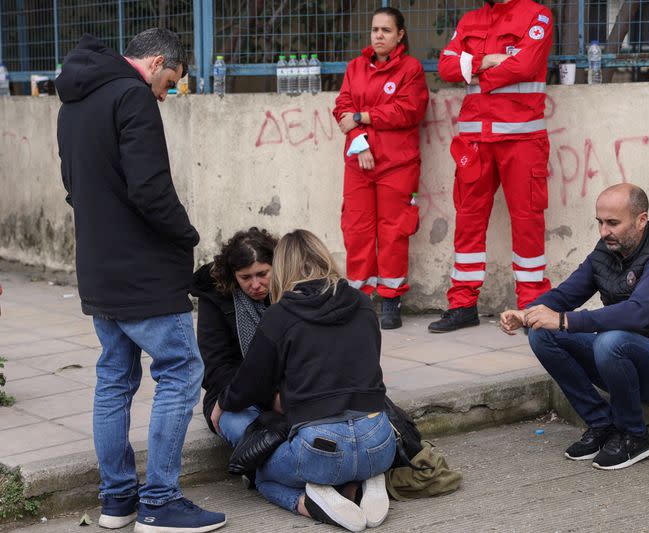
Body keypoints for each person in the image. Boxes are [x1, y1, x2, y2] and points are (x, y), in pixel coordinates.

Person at [56, 30, 225, 532]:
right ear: (155, 63)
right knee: (181, 372)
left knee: (113, 379)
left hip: (98, 268)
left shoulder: (74, 99)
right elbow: (151, 190)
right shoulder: (132, 95)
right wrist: (187, 236)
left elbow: (73, 186)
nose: (165, 95)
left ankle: (117, 503)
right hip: (143, 273)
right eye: (168, 83)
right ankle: (160, 502)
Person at [501, 184, 649, 470]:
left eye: (613, 223)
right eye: (600, 222)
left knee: (609, 341)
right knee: (543, 333)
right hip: (623, 361)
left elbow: (636, 313)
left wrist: (564, 320)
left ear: (641, 220)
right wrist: (528, 314)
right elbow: (567, 294)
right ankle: (602, 423)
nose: (603, 231)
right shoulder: (609, 248)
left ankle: (635, 437)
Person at [213, 230, 395, 532]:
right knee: (356, 447)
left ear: (281, 267)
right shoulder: (363, 303)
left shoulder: (280, 315)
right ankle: (363, 484)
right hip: (380, 439)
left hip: (321, 449)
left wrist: (222, 404)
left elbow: (250, 384)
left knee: (259, 472)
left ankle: (310, 502)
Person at [429, 0, 554, 333]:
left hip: (522, 139)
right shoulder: (471, 19)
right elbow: (445, 67)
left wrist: (476, 74)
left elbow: (525, 66)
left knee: (527, 222)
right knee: (468, 221)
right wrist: (487, 60)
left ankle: (532, 307)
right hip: (474, 141)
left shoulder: (537, 14)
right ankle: (462, 305)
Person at [333, 7, 430, 330]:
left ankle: (391, 298)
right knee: (357, 230)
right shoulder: (355, 67)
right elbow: (343, 108)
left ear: (400, 34)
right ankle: (358, 299)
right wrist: (359, 139)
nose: (378, 35)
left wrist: (363, 117)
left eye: (386, 30)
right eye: (375, 29)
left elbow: (409, 110)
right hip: (359, 162)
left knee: (394, 232)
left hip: (397, 165)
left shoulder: (411, 69)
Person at [190, 227, 279, 444]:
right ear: (233, 275)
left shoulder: (288, 290)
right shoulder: (215, 298)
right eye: (245, 277)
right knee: (250, 433)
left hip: (288, 392)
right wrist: (268, 397)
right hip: (232, 397)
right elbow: (216, 369)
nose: (255, 285)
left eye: (262, 274)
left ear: (276, 268)